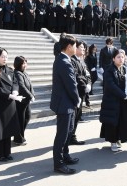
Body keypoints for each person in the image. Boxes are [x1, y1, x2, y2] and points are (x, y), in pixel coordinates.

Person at [50, 35, 80, 175]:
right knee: (62, 135)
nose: (76, 48)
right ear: (69, 47)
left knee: (68, 131)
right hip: (64, 103)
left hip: (66, 102)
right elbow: (71, 85)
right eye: (74, 46)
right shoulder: (64, 61)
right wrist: (77, 99)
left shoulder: (63, 59)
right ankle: (59, 163)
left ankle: (65, 155)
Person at [0, 47, 22, 161]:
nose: (5, 59)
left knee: (8, 128)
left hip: (10, 104)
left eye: (6, 56)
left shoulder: (9, 69)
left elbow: (15, 82)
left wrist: (15, 91)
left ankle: (7, 152)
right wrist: (9, 95)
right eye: (2, 56)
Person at [100, 49, 127, 152]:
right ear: (113, 58)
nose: (121, 59)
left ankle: (118, 139)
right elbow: (111, 86)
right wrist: (123, 95)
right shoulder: (109, 70)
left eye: (122, 57)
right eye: (118, 57)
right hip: (112, 101)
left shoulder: (126, 69)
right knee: (113, 122)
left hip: (123, 101)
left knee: (122, 121)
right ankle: (113, 141)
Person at [70, 41, 91, 145]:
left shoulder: (82, 61)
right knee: (73, 116)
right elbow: (77, 76)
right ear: (76, 48)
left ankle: (72, 136)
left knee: (77, 116)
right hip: (76, 92)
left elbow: (87, 75)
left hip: (82, 93)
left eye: (84, 48)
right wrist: (84, 85)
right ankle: (70, 137)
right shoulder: (72, 60)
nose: (83, 49)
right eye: (81, 47)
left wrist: (89, 84)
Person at [13, 56, 35, 146]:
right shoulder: (17, 73)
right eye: (23, 63)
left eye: (26, 63)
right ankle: (18, 138)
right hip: (21, 101)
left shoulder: (24, 73)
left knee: (27, 117)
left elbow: (30, 84)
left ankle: (19, 136)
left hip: (26, 100)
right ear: (18, 64)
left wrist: (32, 94)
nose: (25, 65)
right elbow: (22, 86)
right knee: (21, 120)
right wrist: (30, 95)